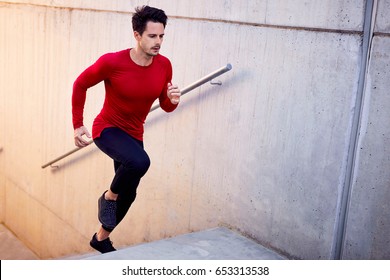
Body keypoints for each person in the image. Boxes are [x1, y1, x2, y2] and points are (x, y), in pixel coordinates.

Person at [71, 5, 181, 253]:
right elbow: (80, 84)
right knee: (140, 163)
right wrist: (78, 124)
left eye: (162, 36)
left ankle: (100, 238)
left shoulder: (164, 65)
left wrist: (172, 101)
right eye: (152, 36)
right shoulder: (112, 62)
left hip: (133, 134)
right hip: (107, 129)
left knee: (129, 194)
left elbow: (164, 105)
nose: (158, 42)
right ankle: (108, 197)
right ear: (137, 35)